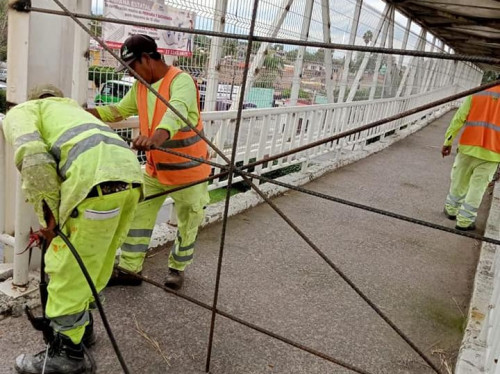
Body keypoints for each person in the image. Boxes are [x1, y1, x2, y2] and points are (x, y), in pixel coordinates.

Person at [4, 84, 144, 374]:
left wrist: (49, 221)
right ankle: (82, 332)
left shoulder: (23, 111)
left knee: (67, 270)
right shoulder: (73, 112)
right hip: (130, 180)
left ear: (35, 100)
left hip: (93, 183)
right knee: (93, 263)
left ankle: (68, 356)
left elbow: (33, 159)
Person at [87, 34, 210, 290]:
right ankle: (130, 269)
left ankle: (177, 268)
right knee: (138, 215)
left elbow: (174, 114)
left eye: (132, 67)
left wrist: (155, 138)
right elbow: (118, 111)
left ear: (146, 58)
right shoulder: (141, 86)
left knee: (189, 221)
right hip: (155, 171)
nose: (131, 74)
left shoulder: (181, 81)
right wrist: (79, 111)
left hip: (189, 173)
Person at [442, 84, 500, 231]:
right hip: (492, 153)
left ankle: (451, 210)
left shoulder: (477, 92)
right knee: (477, 188)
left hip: (468, 147)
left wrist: (448, 141)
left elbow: (459, 118)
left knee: (459, 180)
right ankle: (464, 222)